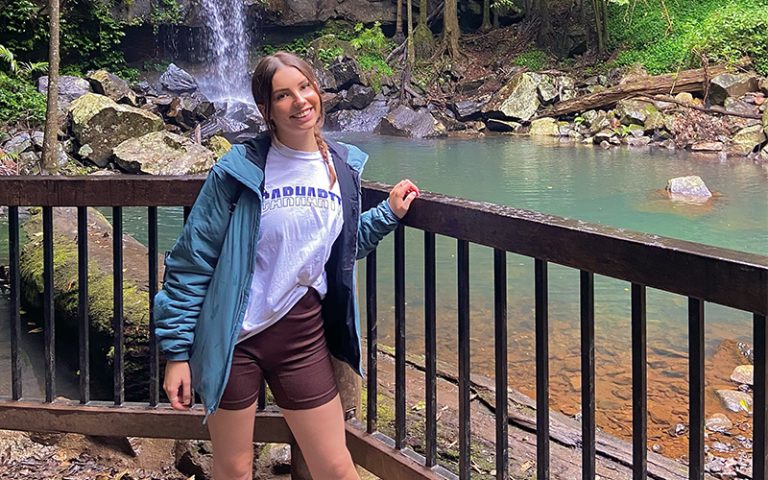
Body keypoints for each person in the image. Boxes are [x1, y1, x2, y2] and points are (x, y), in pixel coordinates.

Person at [154, 51, 419, 480]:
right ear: (266, 109)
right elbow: (191, 263)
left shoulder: (344, 166)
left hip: (302, 337)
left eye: (305, 87)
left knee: (335, 467)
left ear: (317, 91)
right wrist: (177, 353)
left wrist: (386, 214)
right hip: (233, 340)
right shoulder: (238, 170)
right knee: (234, 469)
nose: (299, 101)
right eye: (283, 95)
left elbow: (336, 247)